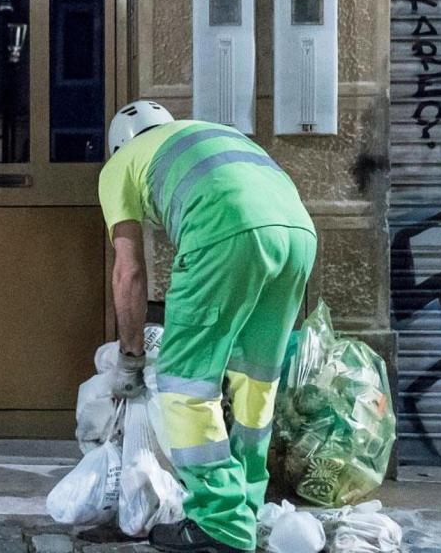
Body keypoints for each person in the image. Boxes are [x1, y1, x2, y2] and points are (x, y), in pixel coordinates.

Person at [98, 101, 317, 552]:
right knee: (256, 377)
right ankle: (246, 505)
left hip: (224, 230)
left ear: (119, 144)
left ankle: (218, 523)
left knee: (184, 383)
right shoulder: (206, 134)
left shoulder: (119, 165)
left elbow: (129, 272)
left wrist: (131, 356)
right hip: (298, 234)